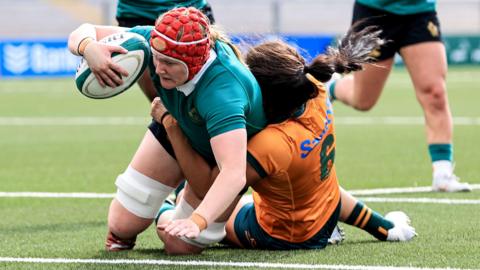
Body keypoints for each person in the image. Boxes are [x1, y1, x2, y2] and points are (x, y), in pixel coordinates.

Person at [153, 26, 416, 254]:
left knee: (191, 208)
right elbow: (326, 188)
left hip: (283, 233)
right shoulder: (315, 89)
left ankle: (161, 208)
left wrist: (172, 125)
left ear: (262, 95)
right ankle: (387, 228)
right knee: (316, 183)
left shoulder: (270, 145)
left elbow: (208, 186)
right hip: (321, 206)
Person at [67, 7, 267, 251]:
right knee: (122, 225)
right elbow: (83, 31)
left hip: (216, 154)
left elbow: (233, 173)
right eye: (157, 58)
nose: (159, 68)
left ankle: (176, 210)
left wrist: (197, 220)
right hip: (176, 122)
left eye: (170, 63)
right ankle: (169, 208)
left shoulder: (223, 93)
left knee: (181, 244)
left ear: (195, 62)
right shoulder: (153, 40)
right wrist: (89, 47)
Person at [327, 0, 471, 192]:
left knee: (435, 92)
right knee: (363, 100)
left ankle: (442, 174)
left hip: (419, 11)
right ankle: (331, 87)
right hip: (374, 12)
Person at [115, 0, 216, 102]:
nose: (159, 70)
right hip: (136, 11)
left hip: (192, 15)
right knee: (159, 98)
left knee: (204, 91)